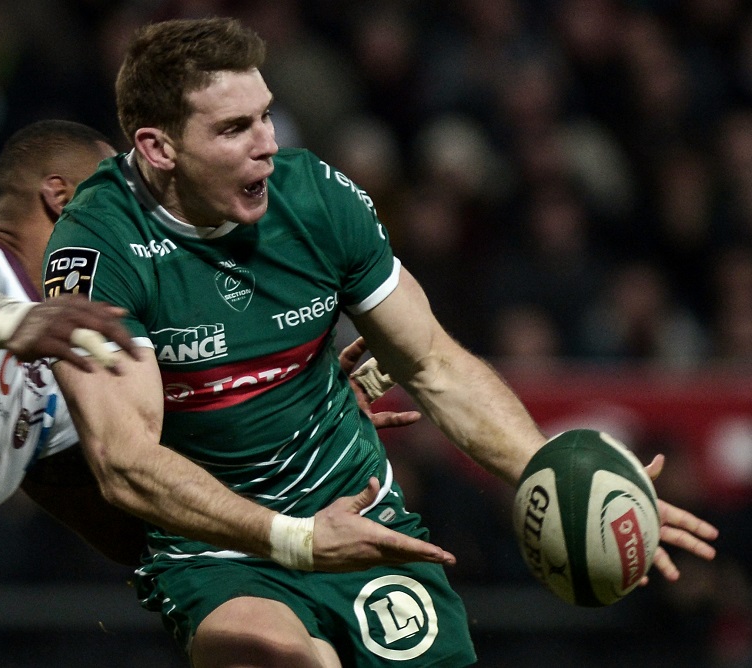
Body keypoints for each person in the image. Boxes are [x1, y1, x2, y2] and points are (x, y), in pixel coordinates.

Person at [42, 17, 721, 668]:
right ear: (159, 148)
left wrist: (565, 483)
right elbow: (123, 458)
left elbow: (432, 364)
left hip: (355, 511)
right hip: (217, 548)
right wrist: (298, 540)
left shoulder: (315, 200)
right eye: (234, 128)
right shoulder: (97, 250)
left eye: (266, 115)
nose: (268, 144)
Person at [0, 118, 413, 668]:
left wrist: (293, 424)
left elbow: (145, 532)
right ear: (64, 200)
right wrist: (14, 320)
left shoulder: (63, 380)